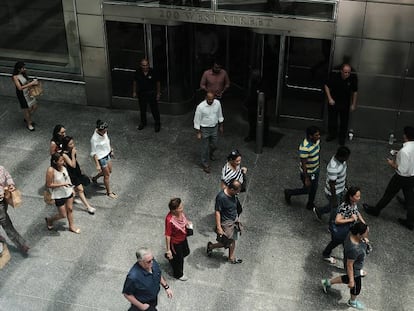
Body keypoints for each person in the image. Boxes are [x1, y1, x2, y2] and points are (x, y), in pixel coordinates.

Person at [363, 126, 414, 230]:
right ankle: (410, 222)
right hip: (412, 176)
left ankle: (376, 210)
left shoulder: (404, 151)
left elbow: (402, 169)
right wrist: (397, 153)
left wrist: (392, 163)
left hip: (401, 178)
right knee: (410, 199)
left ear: (405, 135)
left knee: (389, 194)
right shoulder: (407, 149)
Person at [321, 222, 370, 310]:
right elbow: (350, 265)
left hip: (355, 266)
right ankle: (352, 302)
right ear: (359, 234)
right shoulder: (354, 249)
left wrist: (364, 240)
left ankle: (327, 283)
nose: (367, 234)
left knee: (347, 278)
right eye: (366, 232)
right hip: (354, 269)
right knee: (356, 287)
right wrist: (352, 280)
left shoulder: (351, 234)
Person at [322, 186, 366, 264]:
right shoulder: (345, 206)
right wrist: (351, 219)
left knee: (346, 246)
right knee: (336, 243)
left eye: (359, 196)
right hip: (342, 231)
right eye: (357, 196)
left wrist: (363, 222)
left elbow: (356, 212)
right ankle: (326, 255)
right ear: (351, 197)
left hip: (347, 231)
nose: (359, 198)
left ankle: (348, 262)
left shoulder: (354, 203)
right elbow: (337, 221)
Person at [284, 126, 321, 210]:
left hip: (315, 170)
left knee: (314, 188)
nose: (319, 137)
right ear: (310, 136)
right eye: (316, 135)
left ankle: (310, 204)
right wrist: (306, 178)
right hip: (308, 172)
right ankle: (289, 192)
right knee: (307, 190)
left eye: (319, 135)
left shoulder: (317, 141)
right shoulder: (304, 148)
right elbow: (304, 164)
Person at [207, 179, 243, 264]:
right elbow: (217, 212)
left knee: (233, 240)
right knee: (225, 242)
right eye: (236, 192)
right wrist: (219, 227)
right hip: (226, 223)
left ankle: (231, 257)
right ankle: (211, 246)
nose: (237, 194)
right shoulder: (221, 197)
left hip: (233, 221)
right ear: (232, 189)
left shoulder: (233, 194)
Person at [45, 153, 80, 234]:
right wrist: (62, 184)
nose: (63, 162)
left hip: (68, 191)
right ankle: (50, 220)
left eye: (63, 160)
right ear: (55, 161)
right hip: (58, 194)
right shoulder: (51, 170)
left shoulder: (64, 167)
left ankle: (71, 226)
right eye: (60, 161)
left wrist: (72, 189)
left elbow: (67, 178)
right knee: (63, 214)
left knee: (70, 209)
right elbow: (49, 184)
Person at [313, 146, 351, 222]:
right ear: (341, 156)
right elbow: (332, 184)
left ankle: (319, 211)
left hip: (341, 189)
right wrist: (334, 199)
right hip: (334, 192)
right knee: (335, 208)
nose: (347, 159)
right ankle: (332, 224)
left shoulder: (342, 161)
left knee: (336, 206)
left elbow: (344, 174)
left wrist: (345, 185)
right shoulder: (333, 168)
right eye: (346, 157)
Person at [324, 63, 358, 145]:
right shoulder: (335, 76)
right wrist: (329, 98)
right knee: (332, 120)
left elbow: (355, 92)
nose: (347, 74)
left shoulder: (352, 78)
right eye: (345, 72)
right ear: (341, 71)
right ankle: (332, 134)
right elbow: (326, 86)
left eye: (348, 72)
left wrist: (353, 104)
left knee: (344, 121)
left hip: (345, 103)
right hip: (334, 102)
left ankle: (342, 138)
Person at [61, 136, 96, 215]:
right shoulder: (64, 154)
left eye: (73, 143)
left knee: (77, 189)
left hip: (76, 171)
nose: (73, 145)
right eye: (70, 144)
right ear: (66, 145)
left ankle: (71, 197)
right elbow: (72, 165)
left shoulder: (72, 150)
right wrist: (73, 154)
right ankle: (88, 207)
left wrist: (80, 169)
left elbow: (75, 163)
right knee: (80, 189)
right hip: (71, 174)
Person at [0, 166, 29, 254]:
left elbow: (7, 176)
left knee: (3, 219)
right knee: (6, 222)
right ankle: (21, 244)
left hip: (4, 199)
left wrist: (11, 185)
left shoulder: (1, 168)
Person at [193, 92, 224, 174]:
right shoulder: (200, 107)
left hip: (214, 127)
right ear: (206, 98)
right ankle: (205, 164)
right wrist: (198, 132)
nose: (211, 101)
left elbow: (220, 114)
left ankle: (211, 153)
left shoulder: (217, 103)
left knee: (215, 144)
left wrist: (221, 125)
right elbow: (197, 120)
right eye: (209, 99)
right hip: (204, 129)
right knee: (205, 147)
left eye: (212, 99)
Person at [164, 198, 191, 281]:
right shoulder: (169, 220)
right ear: (174, 210)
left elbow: (184, 219)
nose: (182, 208)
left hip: (183, 238)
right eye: (179, 208)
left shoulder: (180, 213)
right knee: (179, 260)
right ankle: (178, 274)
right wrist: (168, 250)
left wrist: (187, 223)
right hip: (175, 242)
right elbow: (168, 235)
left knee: (186, 252)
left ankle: (172, 258)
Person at [90, 120, 117, 199]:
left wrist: (111, 150)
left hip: (107, 154)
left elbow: (107, 141)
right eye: (104, 131)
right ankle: (109, 192)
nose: (106, 132)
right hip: (101, 157)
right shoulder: (94, 139)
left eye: (106, 130)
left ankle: (95, 178)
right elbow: (94, 153)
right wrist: (97, 165)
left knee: (109, 171)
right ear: (99, 130)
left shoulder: (104, 133)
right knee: (107, 175)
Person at [132, 58, 161, 132]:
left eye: (146, 65)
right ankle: (143, 123)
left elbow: (158, 83)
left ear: (148, 65)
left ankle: (157, 123)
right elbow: (135, 82)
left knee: (154, 110)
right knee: (142, 109)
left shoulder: (153, 72)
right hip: (142, 93)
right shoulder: (138, 72)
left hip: (151, 93)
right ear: (141, 65)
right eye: (143, 65)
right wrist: (134, 92)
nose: (145, 67)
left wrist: (158, 93)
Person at [12, 61, 39, 131]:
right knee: (26, 110)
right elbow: (20, 88)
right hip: (22, 95)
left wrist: (32, 82)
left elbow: (26, 82)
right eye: (23, 68)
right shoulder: (15, 77)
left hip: (29, 92)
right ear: (18, 69)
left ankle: (27, 118)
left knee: (35, 106)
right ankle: (29, 123)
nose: (25, 69)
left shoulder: (23, 74)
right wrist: (31, 84)